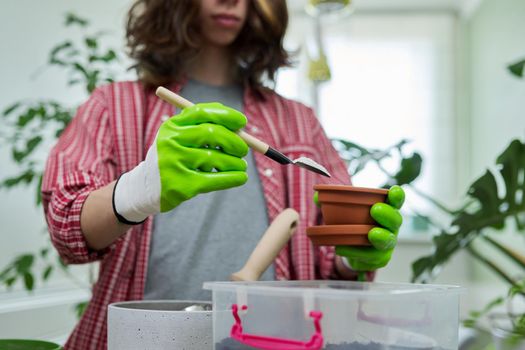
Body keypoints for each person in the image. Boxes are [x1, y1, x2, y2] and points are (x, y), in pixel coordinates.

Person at [41, 0, 404, 348]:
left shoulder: (299, 121)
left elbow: (331, 259)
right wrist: (135, 191)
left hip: (275, 342)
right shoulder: (114, 105)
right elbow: (66, 223)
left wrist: (353, 252)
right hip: (143, 341)